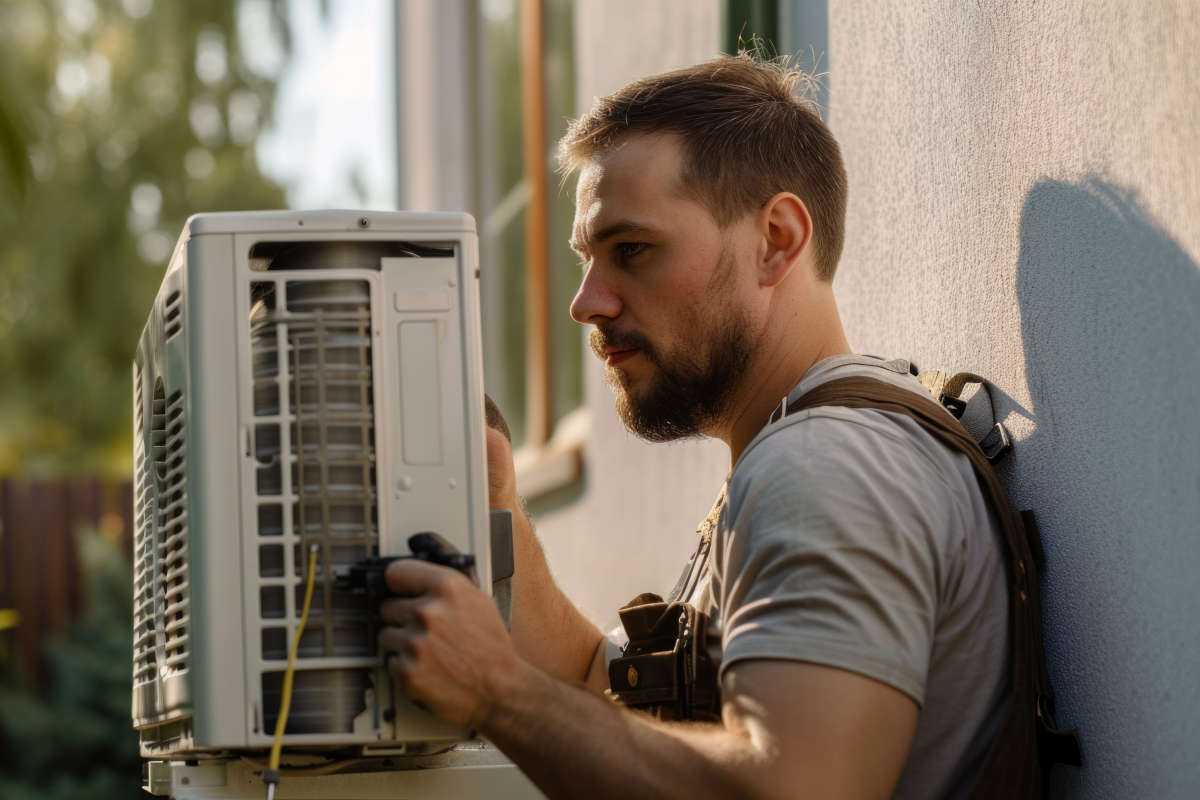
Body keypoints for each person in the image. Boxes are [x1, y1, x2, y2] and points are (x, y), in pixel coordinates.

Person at [377, 53, 1010, 799]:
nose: (586, 303)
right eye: (587, 260)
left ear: (775, 239)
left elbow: (796, 791)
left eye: (632, 251)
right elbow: (598, 692)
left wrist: (498, 693)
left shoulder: (820, 467)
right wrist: (498, 506)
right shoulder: (813, 445)